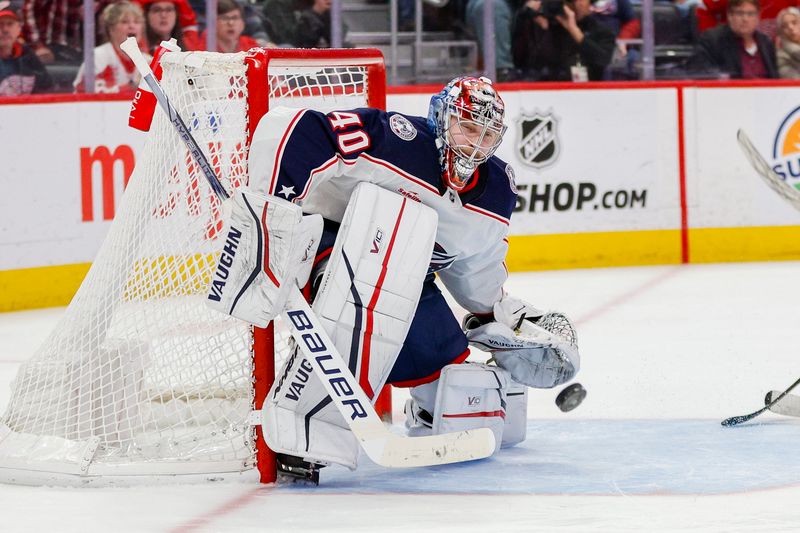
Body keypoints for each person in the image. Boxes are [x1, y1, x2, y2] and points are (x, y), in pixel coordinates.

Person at [211, 76, 581, 480]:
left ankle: (424, 413)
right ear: (442, 119)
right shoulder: (397, 140)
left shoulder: (496, 192)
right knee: (373, 287)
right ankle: (308, 425)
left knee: (459, 396)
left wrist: (501, 319)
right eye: (469, 126)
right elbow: (294, 128)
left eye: (489, 133)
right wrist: (271, 218)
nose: (477, 143)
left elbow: (475, 265)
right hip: (322, 247)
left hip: (403, 275)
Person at [512, 0, 616, 81]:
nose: (576, 4)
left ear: (590, 3)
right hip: (551, 88)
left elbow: (603, 59)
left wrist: (574, 31)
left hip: (590, 91)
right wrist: (532, 13)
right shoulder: (553, 26)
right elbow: (527, 59)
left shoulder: (602, 31)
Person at [688, 0, 777, 78]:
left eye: (750, 14)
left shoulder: (766, 43)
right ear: (730, 16)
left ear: (758, 17)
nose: (745, 19)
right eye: (739, 13)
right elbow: (700, 73)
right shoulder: (712, 41)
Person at [73, 1, 149, 93]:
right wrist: (131, 86)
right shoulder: (98, 57)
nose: (132, 26)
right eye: (124, 22)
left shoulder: (148, 61)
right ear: (111, 29)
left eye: (137, 22)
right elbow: (91, 93)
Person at [0, 5, 52, 94]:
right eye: (0, 24)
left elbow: (47, 85)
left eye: (10, 24)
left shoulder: (27, 54)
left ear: (18, 29)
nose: (5, 29)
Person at [137, 0, 202, 54]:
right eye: (157, 10)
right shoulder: (137, 49)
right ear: (146, 15)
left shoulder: (190, 47)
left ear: (177, 14)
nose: (163, 15)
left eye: (169, 10)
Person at [200, 0, 265, 52]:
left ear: (243, 24)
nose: (230, 23)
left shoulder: (251, 46)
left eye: (235, 18)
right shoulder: (202, 46)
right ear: (213, 23)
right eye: (224, 18)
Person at [776, 6, 800, 78]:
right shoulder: (780, 56)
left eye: (794, 22)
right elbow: (793, 79)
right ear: (781, 31)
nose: (790, 27)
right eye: (785, 26)